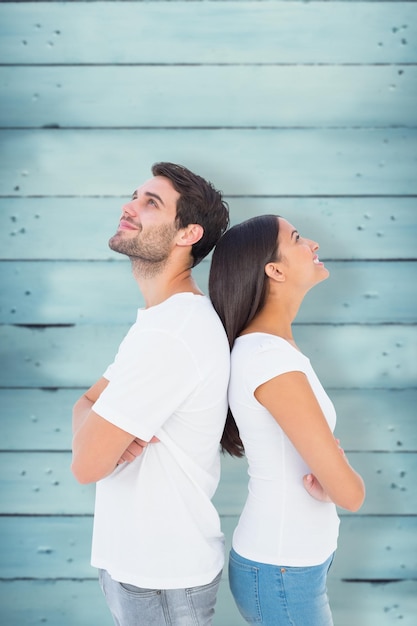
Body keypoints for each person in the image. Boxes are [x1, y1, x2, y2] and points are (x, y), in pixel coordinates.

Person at [71, 162, 231, 626]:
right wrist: (98, 433)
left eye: (151, 202)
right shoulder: (163, 322)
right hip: (143, 570)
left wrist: (99, 439)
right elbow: (83, 403)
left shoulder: (172, 334)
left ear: (188, 234)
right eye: (135, 196)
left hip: (160, 579)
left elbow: (86, 465)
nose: (129, 206)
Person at [208, 214, 365, 625]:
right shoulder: (270, 361)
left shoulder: (270, 350)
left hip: (288, 565)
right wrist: (339, 481)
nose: (313, 243)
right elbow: (352, 494)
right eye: (297, 238)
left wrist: (334, 479)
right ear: (273, 270)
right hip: (282, 571)